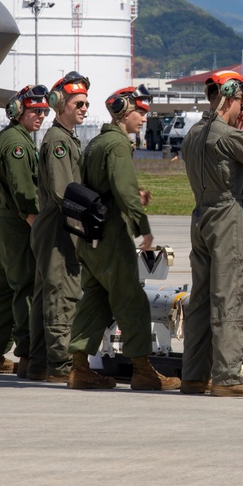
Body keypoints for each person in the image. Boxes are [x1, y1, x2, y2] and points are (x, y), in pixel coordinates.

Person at [66, 85, 181, 391]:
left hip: (90, 239)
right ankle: (143, 370)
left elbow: (103, 188)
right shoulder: (117, 145)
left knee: (96, 301)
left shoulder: (96, 142)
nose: (143, 118)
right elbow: (125, 190)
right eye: (139, 112)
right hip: (111, 239)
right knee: (131, 301)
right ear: (124, 112)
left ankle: (79, 368)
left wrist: (128, 196)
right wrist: (143, 228)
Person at [180, 71, 243, 397]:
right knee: (231, 296)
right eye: (242, 101)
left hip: (201, 216)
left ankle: (194, 375)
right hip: (227, 219)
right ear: (232, 96)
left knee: (201, 298)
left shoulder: (194, 133)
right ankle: (227, 377)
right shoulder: (228, 136)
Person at [0, 85, 47, 377]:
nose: (40, 116)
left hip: (5, 222)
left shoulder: (12, 138)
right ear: (19, 111)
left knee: (4, 288)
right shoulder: (16, 144)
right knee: (26, 287)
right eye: (34, 110)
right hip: (19, 223)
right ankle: (28, 355)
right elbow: (23, 190)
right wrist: (35, 219)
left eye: (43, 111)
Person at [27, 71, 89, 383]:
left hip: (52, 227)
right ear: (59, 104)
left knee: (45, 297)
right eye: (78, 103)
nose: (84, 108)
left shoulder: (63, 139)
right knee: (61, 296)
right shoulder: (58, 143)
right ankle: (61, 366)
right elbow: (66, 194)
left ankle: (38, 363)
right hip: (58, 228)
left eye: (86, 103)